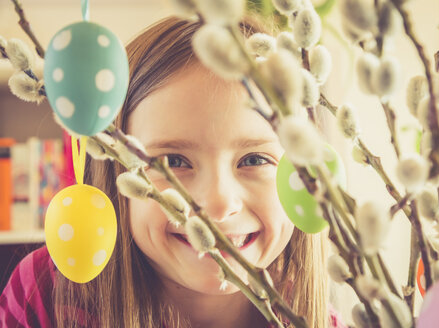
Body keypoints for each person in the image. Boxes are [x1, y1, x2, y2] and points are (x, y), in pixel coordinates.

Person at [0, 16, 346, 328]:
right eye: (173, 162)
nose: (218, 206)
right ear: (115, 174)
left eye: (254, 160)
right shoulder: (47, 296)